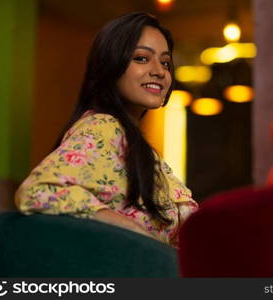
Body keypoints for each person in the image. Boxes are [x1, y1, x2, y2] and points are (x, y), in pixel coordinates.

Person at [15, 12, 198, 248]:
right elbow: (38, 191)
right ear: (111, 65)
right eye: (142, 58)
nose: (159, 71)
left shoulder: (137, 147)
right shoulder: (103, 127)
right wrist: (141, 238)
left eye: (165, 62)